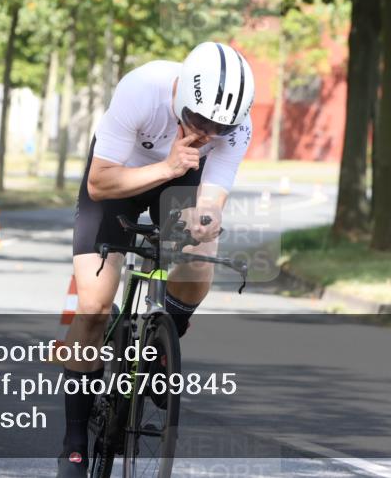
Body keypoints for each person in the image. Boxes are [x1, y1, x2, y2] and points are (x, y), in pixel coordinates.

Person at [57, 41, 255, 477]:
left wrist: (205, 219)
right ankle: (73, 443)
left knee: (201, 253)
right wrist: (166, 167)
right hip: (119, 179)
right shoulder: (142, 89)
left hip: (177, 180)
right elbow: (99, 184)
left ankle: (165, 342)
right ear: (181, 94)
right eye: (198, 119)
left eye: (218, 127)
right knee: (92, 307)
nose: (207, 132)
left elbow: (213, 196)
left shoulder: (236, 127)